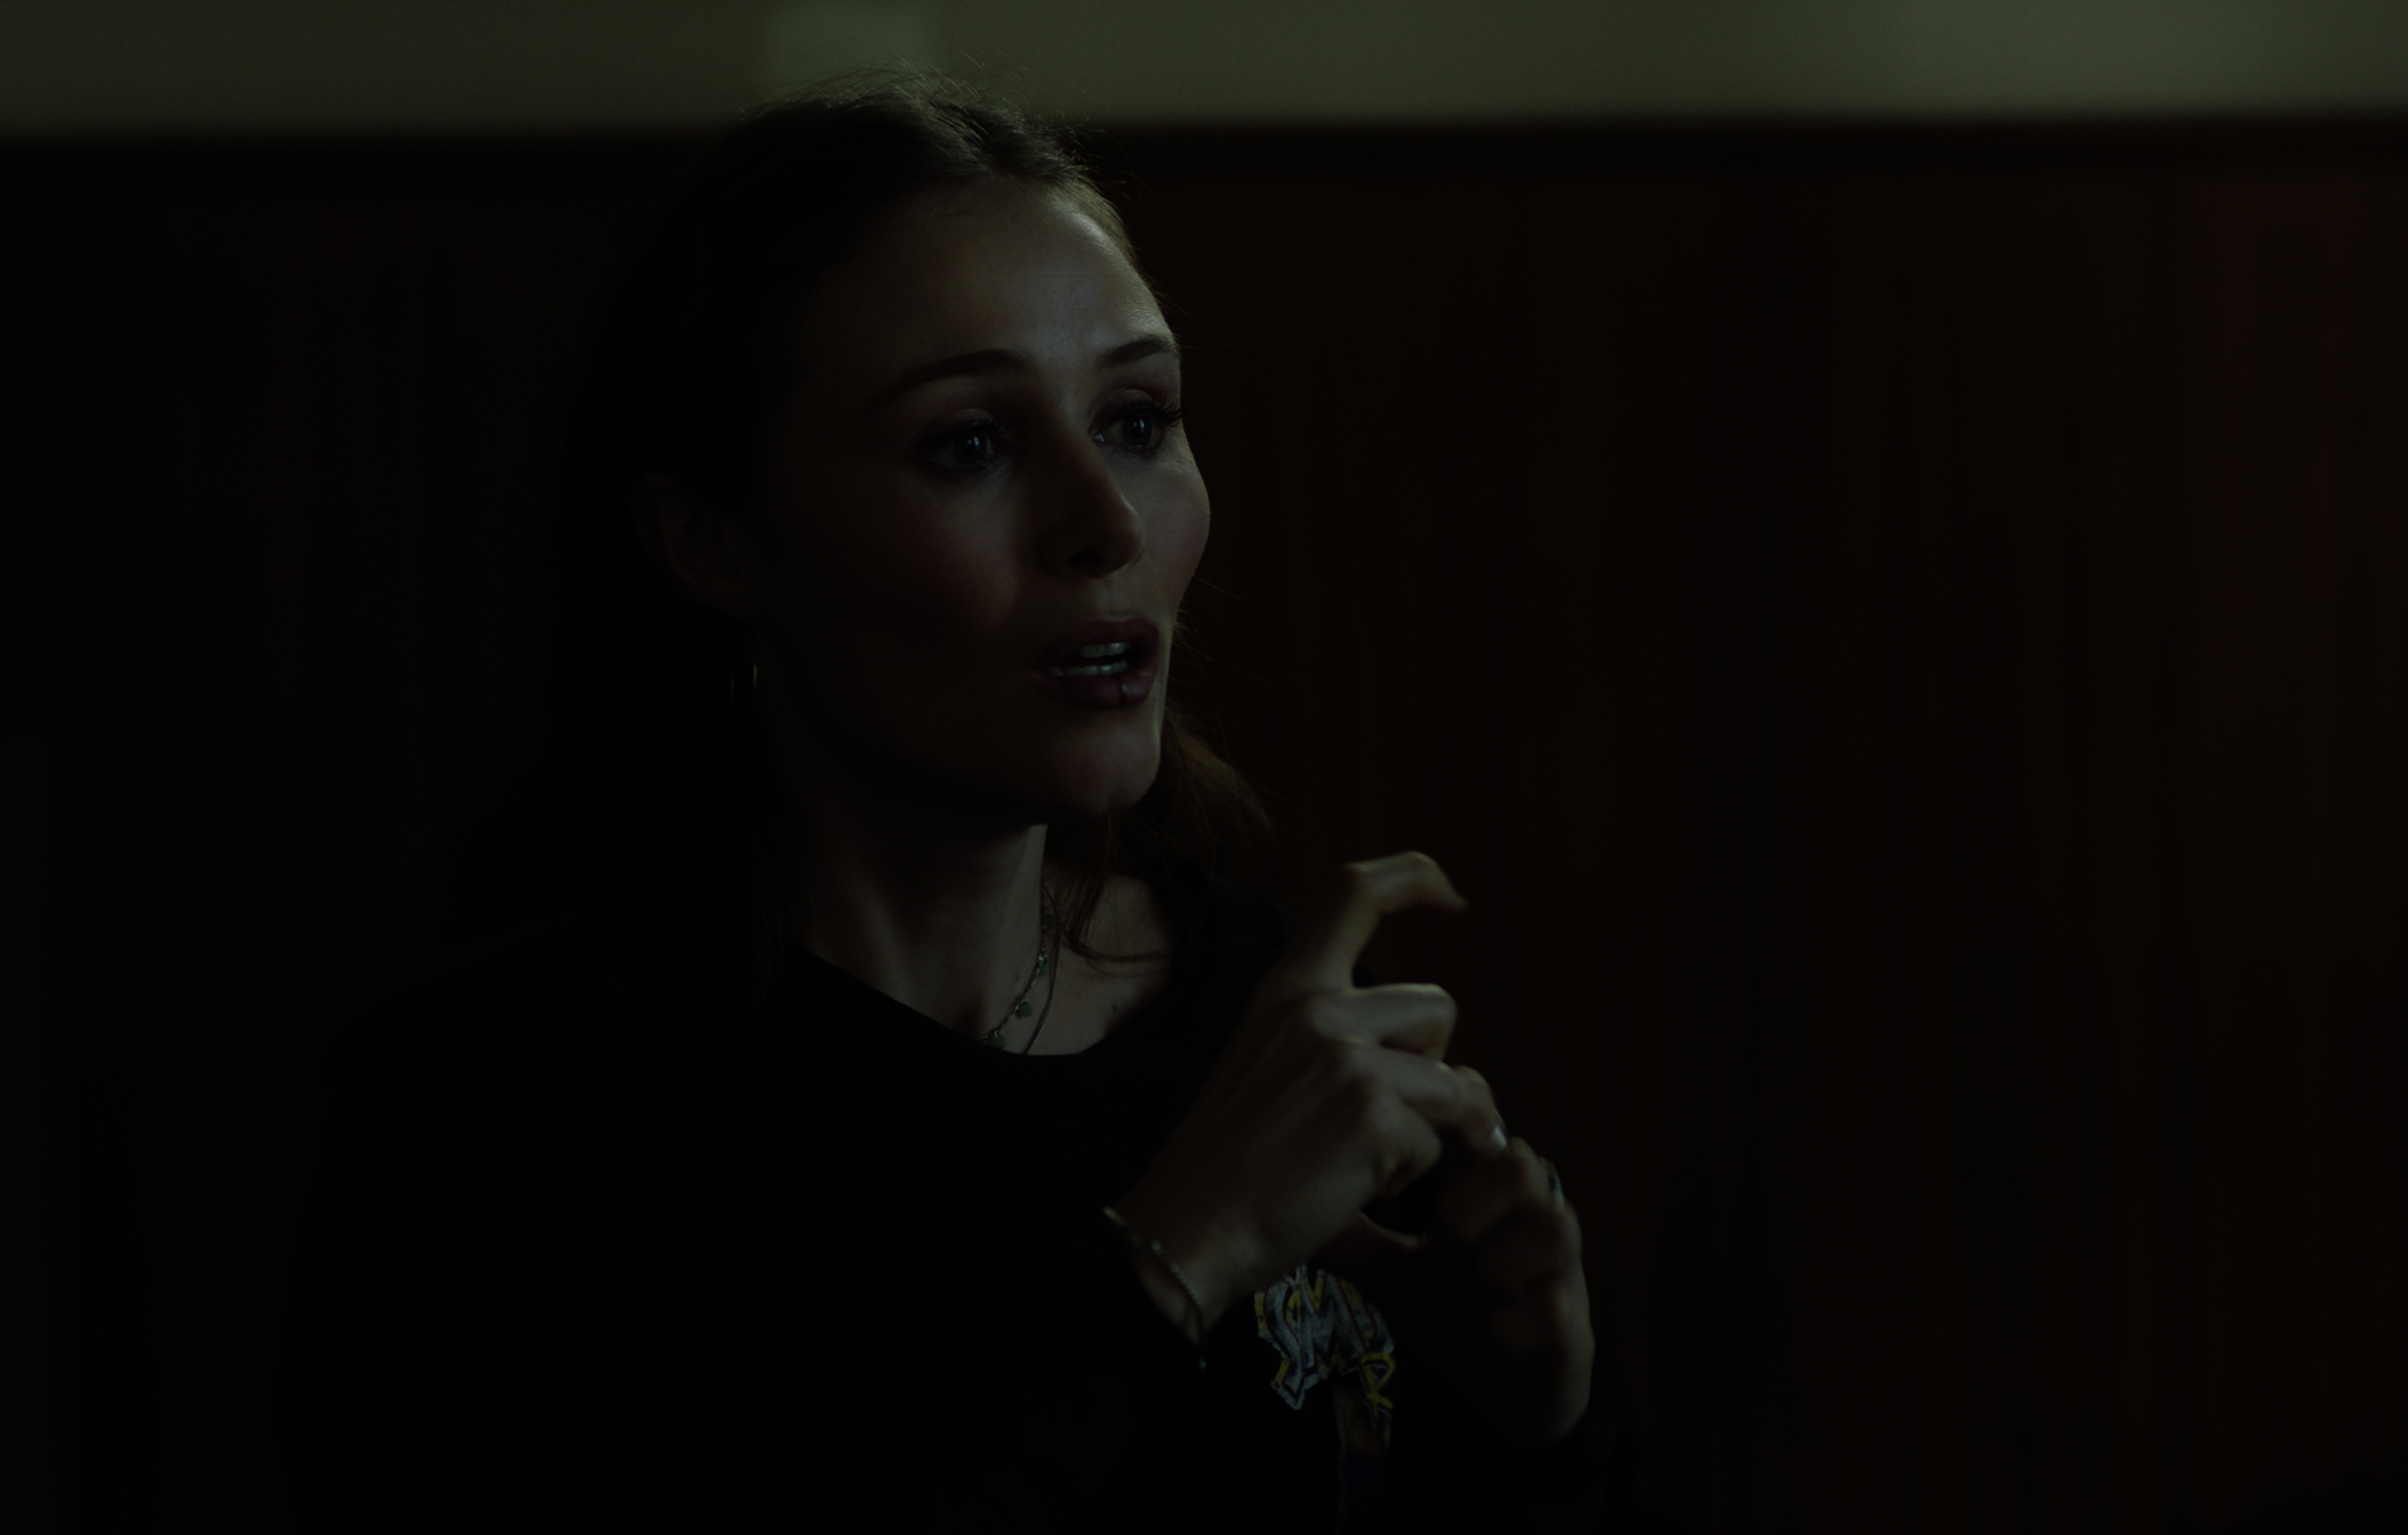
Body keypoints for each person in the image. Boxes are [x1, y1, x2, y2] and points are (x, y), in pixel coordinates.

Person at [283, 77, 1679, 1532]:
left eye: (1136, 418)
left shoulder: (1275, 1021)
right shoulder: (502, 1117)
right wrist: (1180, 1257)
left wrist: (1540, 1430)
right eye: (970, 443)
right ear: (713, 545)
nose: (1107, 523)